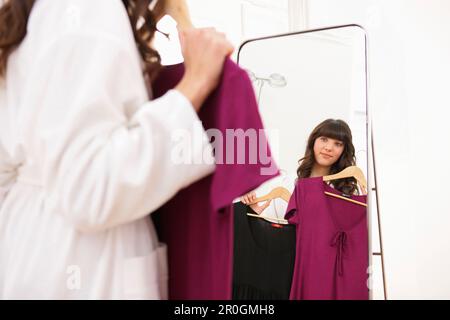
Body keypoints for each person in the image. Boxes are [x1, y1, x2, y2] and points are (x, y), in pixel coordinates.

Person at [0, 0, 233, 299]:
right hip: (84, 260)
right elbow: (89, 186)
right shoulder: (90, 9)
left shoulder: (42, 12)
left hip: (33, 253)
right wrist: (194, 85)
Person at [241, 119, 359, 217]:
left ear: (344, 150)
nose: (328, 147)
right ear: (313, 142)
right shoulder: (285, 184)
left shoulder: (345, 193)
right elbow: (273, 230)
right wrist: (254, 213)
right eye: (324, 139)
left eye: (337, 144)